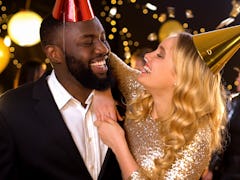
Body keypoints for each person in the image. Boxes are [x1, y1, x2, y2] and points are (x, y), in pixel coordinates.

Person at [94, 25, 240, 179]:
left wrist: (118, 144)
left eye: (160, 55)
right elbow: (103, 56)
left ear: (181, 78)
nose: (148, 56)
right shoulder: (140, 91)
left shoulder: (197, 139)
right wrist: (102, 89)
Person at [0, 0, 122, 179]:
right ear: (54, 53)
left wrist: (104, 90)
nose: (103, 49)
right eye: (87, 43)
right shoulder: (11, 109)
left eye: (103, 39)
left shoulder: (124, 100)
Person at [202, 66, 240, 180]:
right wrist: (211, 167)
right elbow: (222, 134)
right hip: (225, 169)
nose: (237, 80)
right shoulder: (233, 101)